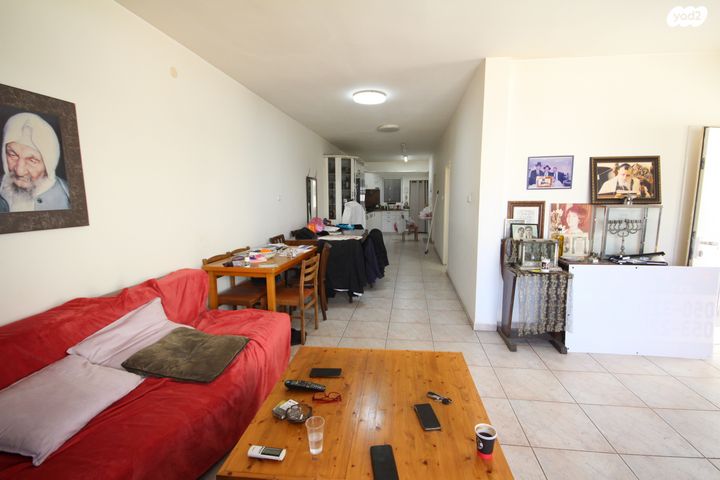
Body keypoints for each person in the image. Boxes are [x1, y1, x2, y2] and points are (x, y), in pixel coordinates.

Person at [0, 112, 70, 212]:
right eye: (13, 155)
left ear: (49, 164)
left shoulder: (69, 197)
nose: (19, 171)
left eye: (32, 161)